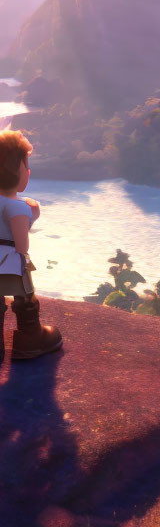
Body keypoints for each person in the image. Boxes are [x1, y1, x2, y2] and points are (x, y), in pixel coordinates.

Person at [0, 129, 62, 361]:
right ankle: (29, 340)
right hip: (9, 262)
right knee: (25, 297)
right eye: (26, 167)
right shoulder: (19, 208)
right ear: (21, 174)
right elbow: (21, 245)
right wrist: (32, 215)